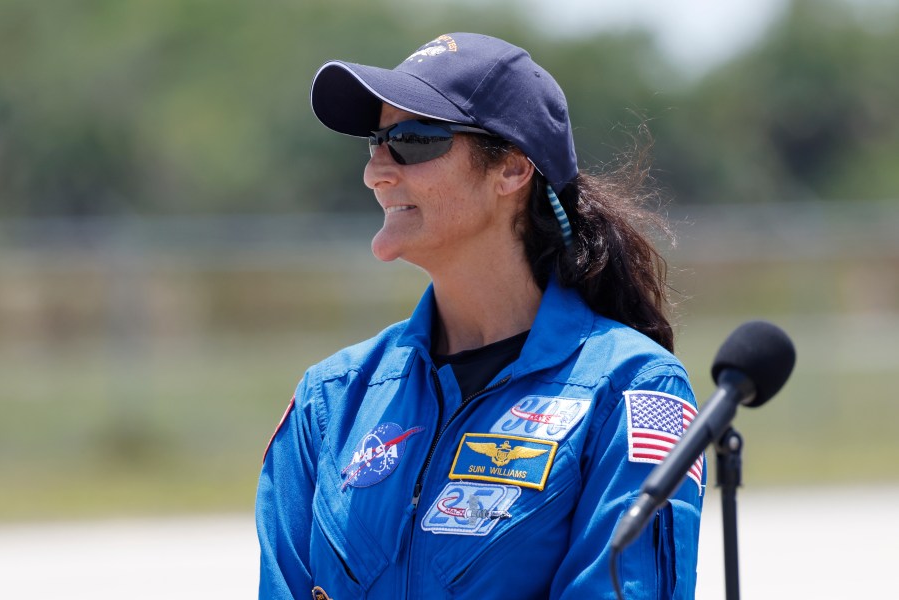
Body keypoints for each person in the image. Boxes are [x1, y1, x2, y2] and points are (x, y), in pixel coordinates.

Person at [256, 32, 703, 599]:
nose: (377, 172)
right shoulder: (332, 400)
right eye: (376, 142)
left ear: (513, 171)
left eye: (413, 141)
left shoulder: (631, 389)